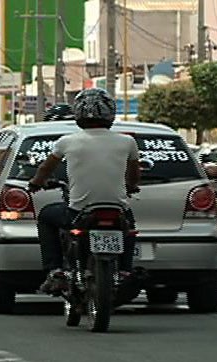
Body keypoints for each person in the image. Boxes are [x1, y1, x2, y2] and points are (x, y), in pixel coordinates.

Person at [28, 88, 141, 294]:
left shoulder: (67, 141)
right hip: (117, 209)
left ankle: (55, 271)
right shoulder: (127, 141)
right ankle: (125, 269)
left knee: (46, 216)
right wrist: (131, 186)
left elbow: (45, 168)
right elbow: (134, 173)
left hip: (78, 211)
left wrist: (36, 183)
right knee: (129, 226)